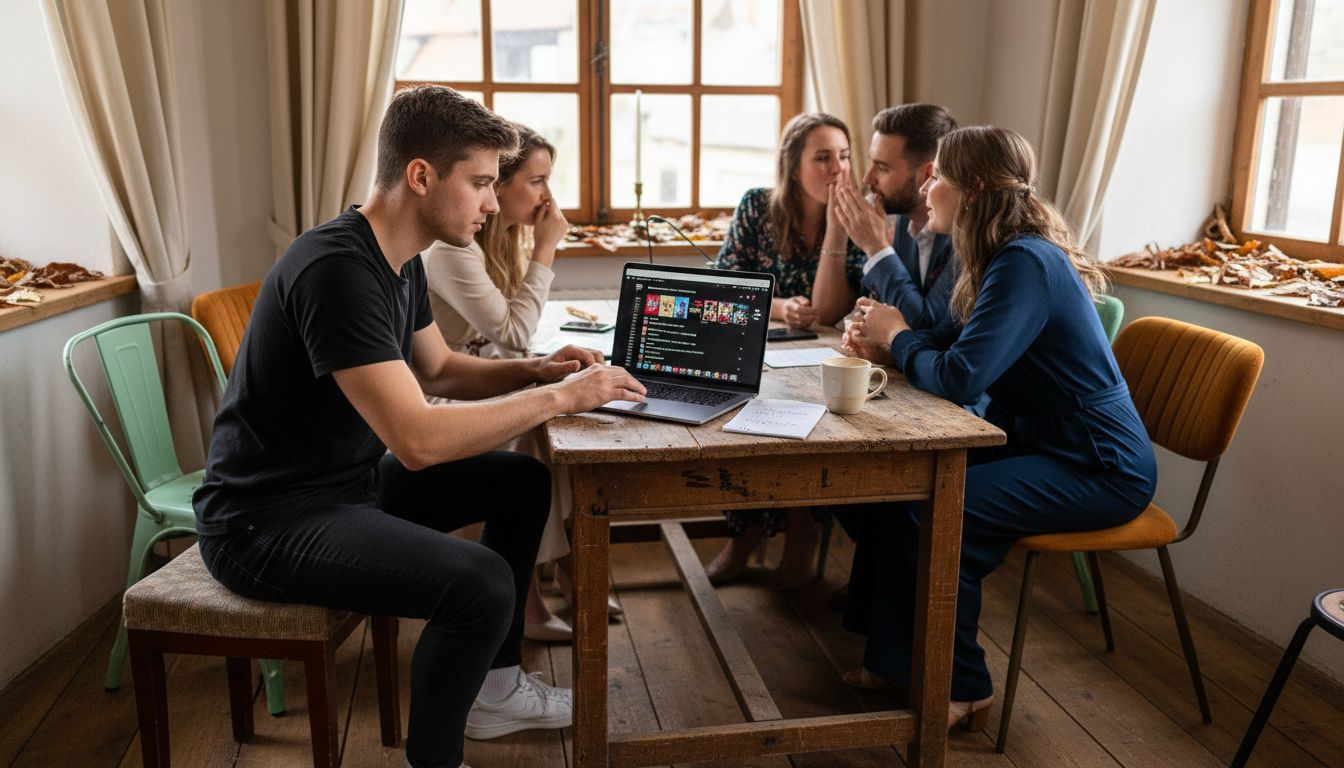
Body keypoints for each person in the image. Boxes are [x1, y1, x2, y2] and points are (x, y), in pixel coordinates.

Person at [192, 85, 646, 768]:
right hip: (263, 523)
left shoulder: (398, 259)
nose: (492, 204)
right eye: (482, 183)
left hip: (344, 487)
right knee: (480, 583)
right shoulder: (337, 270)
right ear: (421, 176)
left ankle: (496, 692)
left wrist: (538, 371)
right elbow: (418, 440)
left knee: (522, 483)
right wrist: (562, 399)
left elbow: (440, 370)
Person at [838, 126, 1156, 729]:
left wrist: (897, 336)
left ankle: (967, 688)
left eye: (939, 177)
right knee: (899, 490)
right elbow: (952, 340)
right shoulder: (1001, 256)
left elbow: (960, 377)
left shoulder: (1025, 262)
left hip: (1098, 465)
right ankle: (893, 661)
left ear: (975, 190)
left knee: (941, 512)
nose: (926, 188)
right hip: (1045, 445)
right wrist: (888, 342)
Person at [422, 124, 599, 645]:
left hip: (472, 376)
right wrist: (547, 248)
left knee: (557, 423)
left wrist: (541, 368)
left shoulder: (496, 241)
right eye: (537, 181)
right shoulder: (452, 251)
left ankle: (558, 567)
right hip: (443, 391)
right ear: (497, 185)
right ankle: (532, 590)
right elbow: (515, 332)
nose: (547, 196)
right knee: (534, 437)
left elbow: (511, 340)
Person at [707, 112, 867, 590]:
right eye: (823, 158)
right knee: (742, 411)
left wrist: (836, 228)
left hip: (820, 354)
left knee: (813, 418)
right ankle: (744, 534)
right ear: (793, 166)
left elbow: (827, 310)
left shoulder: (856, 217)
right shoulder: (758, 206)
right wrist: (780, 307)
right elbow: (725, 287)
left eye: (844, 156)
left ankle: (803, 533)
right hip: (758, 345)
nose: (837, 169)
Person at [833, 103, 958, 335]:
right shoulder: (901, 222)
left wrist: (877, 248)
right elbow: (885, 312)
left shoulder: (964, 234)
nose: (867, 178)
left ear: (928, 174)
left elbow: (925, 327)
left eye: (882, 167)